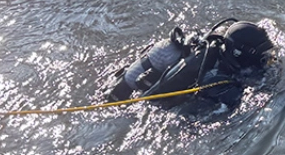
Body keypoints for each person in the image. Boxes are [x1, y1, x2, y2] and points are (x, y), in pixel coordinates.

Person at [107, 18, 276, 118]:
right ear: (240, 53)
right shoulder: (213, 77)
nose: (267, 58)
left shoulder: (218, 43)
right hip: (150, 99)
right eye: (262, 54)